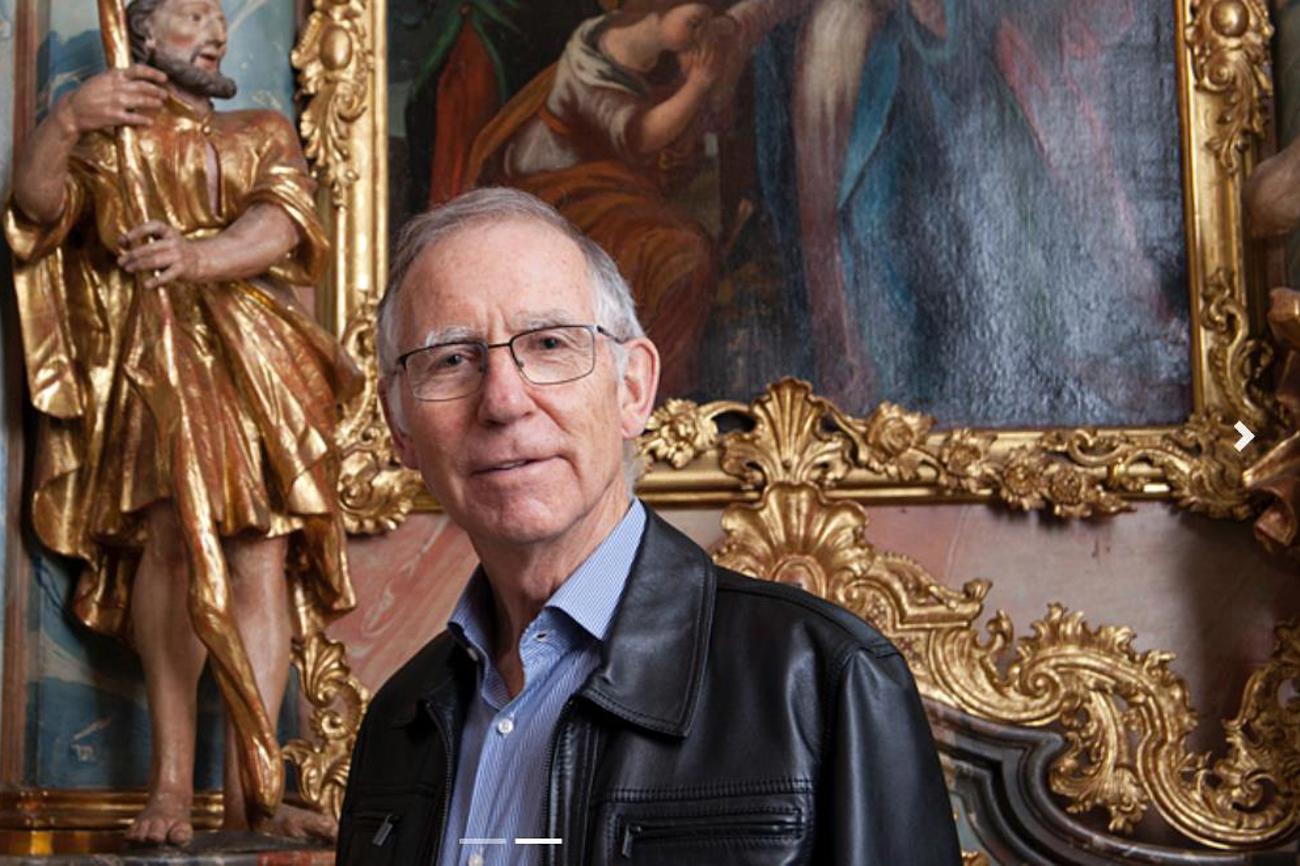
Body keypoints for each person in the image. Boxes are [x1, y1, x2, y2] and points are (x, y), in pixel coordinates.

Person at [336, 186, 960, 864]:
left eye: (549, 344)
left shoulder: (827, 680)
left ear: (633, 389)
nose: (504, 401)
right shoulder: (398, 723)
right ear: (399, 427)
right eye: (452, 359)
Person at [6, 0, 357, 846]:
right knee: (168, 541)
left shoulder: (262, 129)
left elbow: (282, 223)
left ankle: (253, 794)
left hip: (255, 358)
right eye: (193, 14)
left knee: (261, 554)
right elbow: (38, 207)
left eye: (219, 18)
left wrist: (195, 256)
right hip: (154, 357)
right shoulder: (114, 142)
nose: (216, 31)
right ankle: (167, 784)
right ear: (142, 33)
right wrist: (66, 120)